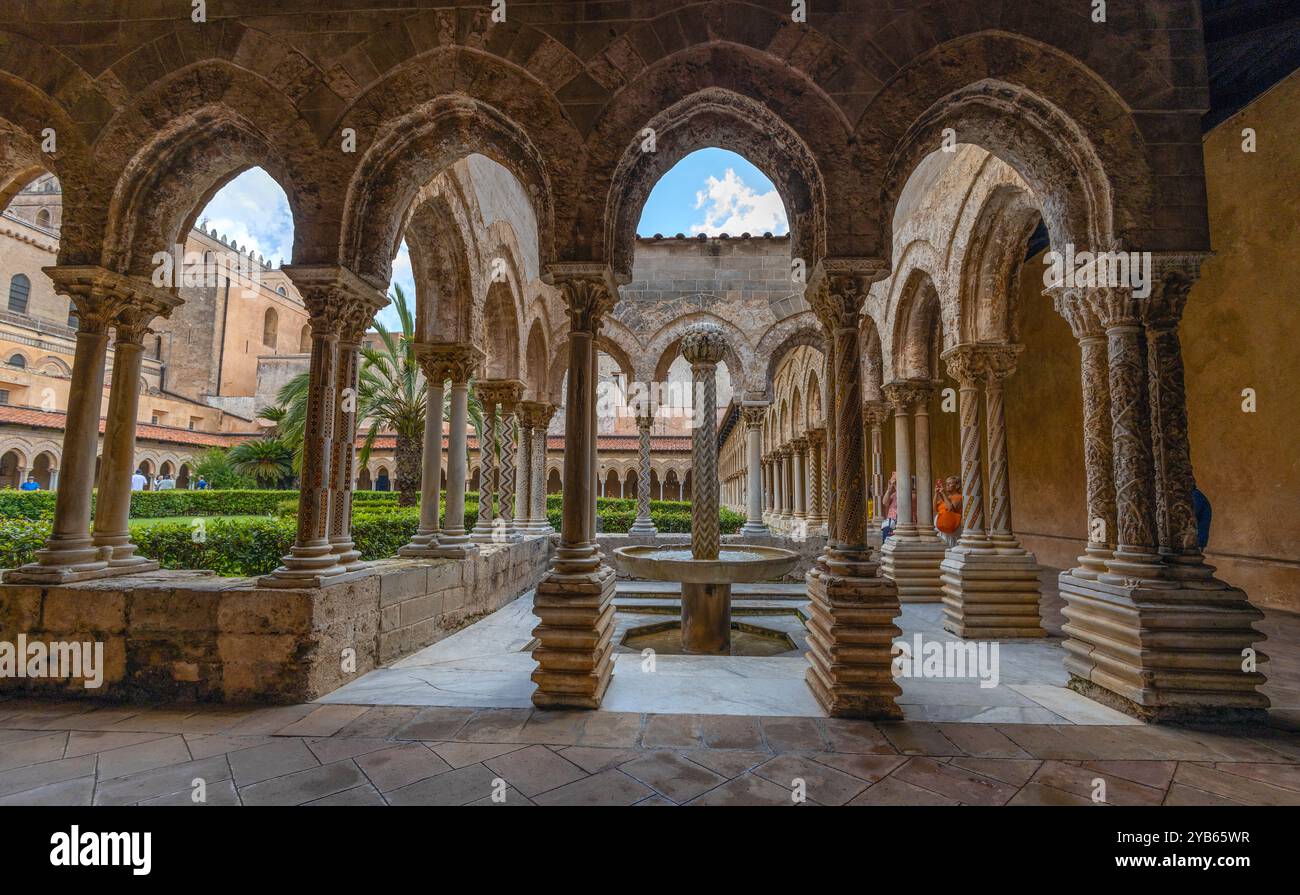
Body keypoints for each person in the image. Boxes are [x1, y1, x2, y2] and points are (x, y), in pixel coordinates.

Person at [934, 475, 962, 547]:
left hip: (950, 528)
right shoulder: (946, 498)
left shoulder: (958, 497)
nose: (947, 485)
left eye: (950, 483)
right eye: (946, 483)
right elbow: (935, 508)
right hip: (941, 528)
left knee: (950, 547)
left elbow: (950, 509)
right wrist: (936, 494)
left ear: (957, 486)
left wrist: (943, 494)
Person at [1193, 483, 1212, 550]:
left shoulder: (1196, 495)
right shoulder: (1196, 495)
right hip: (1198, 539)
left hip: (1197, 540)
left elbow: (1191, 515)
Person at [881, 471, 898, 540]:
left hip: (900, 523)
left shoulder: (912, 494)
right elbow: (885, 502)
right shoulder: (893, 495)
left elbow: (902, 501)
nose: (893, 484)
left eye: (895, 482)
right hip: (890, 523)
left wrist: (897, 486)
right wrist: (889, 490)